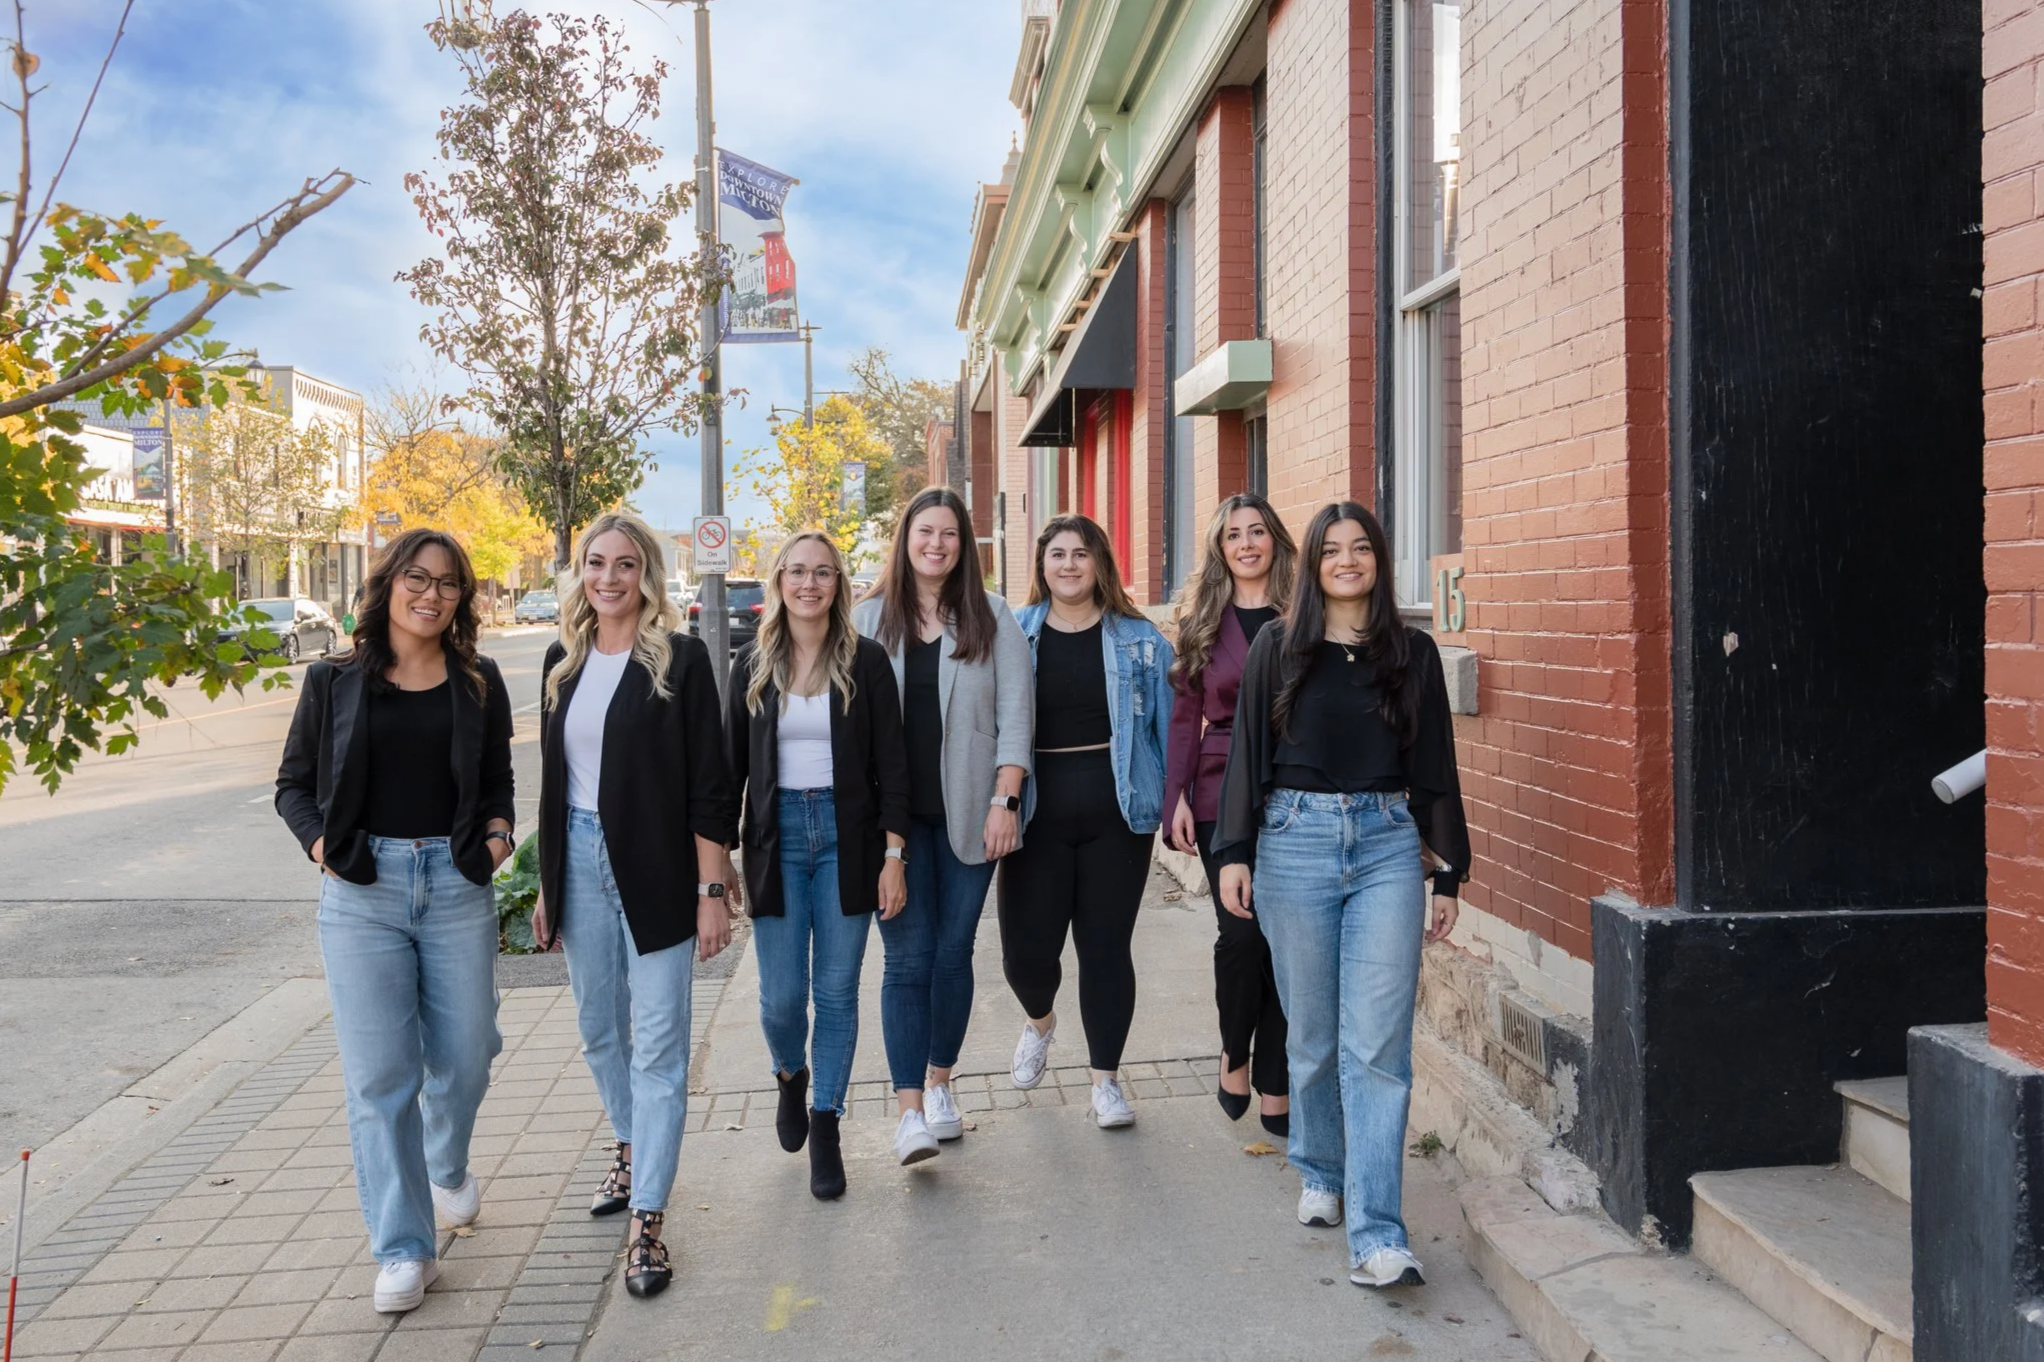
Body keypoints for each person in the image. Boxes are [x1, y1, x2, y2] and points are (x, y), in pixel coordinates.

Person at [1212, 500, 1469, 1290]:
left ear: (1378, 562)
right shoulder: (1278, 647)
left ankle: (1379, 1234)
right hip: (1295, 842)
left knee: (1378, 1048)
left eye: (1361, 548)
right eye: (1332, 550)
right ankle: (1320, 1167)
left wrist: (1448, 870)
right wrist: (1233, 851)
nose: (1347, 561)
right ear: (1315, 564)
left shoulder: (1413, 653)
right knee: (1316, 1036)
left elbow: (1435, 762)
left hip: (1389, 844)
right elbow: (1247, 752)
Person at [274, 529, 515, 1315]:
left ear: (461, 598)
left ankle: (445, 1161)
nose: (431, 595)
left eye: (448, 583)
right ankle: (405, 1249)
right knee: (381, 1078)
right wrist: (324, 847)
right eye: (418, 577)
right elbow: (293, 785)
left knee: (469, 1052)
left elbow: (498, 781)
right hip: (362, 892)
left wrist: (497, 839)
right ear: (389, 584)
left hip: (454, 884)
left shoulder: (478, 681)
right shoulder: (334, 679)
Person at [531, 512, 738, 1300]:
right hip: (579, 861)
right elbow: (554, 783)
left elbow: (711, 785)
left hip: (657, 867)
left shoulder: (680, 660)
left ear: (647, 575)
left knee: (659, 1047)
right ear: (580, 572)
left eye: (624, 564)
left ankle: (647, 1217)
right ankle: (629, 1142)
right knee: (598, 1028)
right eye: (596, 563)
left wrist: (711, 890)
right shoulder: (561, 660)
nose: (609, 578)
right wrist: (549, 883)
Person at [851, 486, 1033, 1166]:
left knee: (953, 954)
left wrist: (1005, 800)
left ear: (964, 544)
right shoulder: (866, 619)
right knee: (907, 959)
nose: (936, 544)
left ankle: (940, 1083)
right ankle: (909, 1116)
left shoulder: (992, 616)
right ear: (905, 539)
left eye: (949, 533)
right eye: (925, 531)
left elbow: (1017, 715)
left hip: (970, 815)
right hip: (889, 826)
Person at [726, 531, 910, 1200]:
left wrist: (894, 856)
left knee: (835, 992)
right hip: (774, 839)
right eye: (798, 572)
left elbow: (894, 767)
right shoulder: (752, 663)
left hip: (847, 837)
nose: (810, 584)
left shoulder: (866, 660)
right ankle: (789, 1074)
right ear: (778, 581)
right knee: (781, 998)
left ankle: (826, 1119)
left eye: (824, 573)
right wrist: (716, 867)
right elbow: (727, 771)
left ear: (839, 584)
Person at [1004, 514, 1174, 1129]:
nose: (1070, 564)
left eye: (1081, 553)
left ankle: (1106, 1081)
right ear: (1042, 565)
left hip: (1117, 812)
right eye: (1058, 554)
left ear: (1100, 562)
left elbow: (1169, 728)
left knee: (1105, 949)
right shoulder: (1012, 634)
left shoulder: (1142, 640)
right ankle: (1040, 1022)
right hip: (1035, 812)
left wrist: (1174, 803)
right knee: (1026, 956)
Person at [1164, 494, 1298, 1138]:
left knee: (1284, 942)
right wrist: (1176, 796)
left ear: (1275, 541)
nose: (1246, 544)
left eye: (1257, 532)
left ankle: (1277, 1075)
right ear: (1220, 549)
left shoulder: (1304, 613)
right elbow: (1184, 717)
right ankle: (1233, 1049)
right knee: (1241, 934)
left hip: (1294, 789)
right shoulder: (1202, 621)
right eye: (1234, 535)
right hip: (1221, 790)